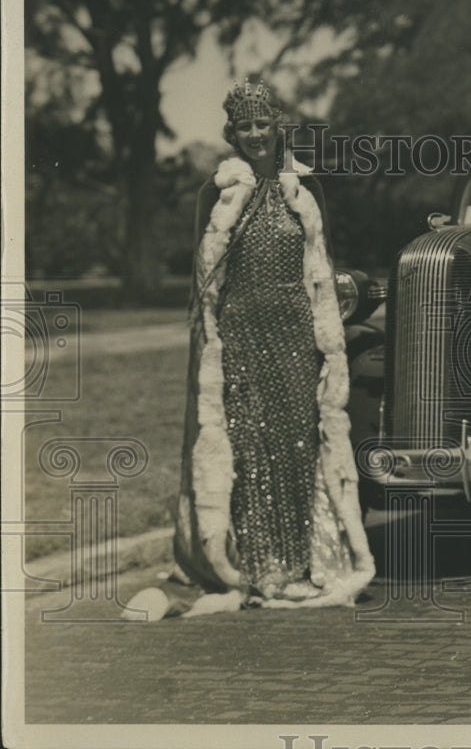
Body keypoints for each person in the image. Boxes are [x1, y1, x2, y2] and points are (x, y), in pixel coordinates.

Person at [125, 80, 374, 619]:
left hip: (295, 339)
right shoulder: (217, 192)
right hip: (238, 340)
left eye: (263, 124)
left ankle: (307, 565)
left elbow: (322, 271)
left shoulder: (305, 188)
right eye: (245, 127)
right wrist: (212, 345)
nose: (256, 134)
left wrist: (323, 341)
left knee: (297, 446)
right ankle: (262, 570)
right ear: (232, 133)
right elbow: (202, 285)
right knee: (249, 451)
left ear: (279, 123)